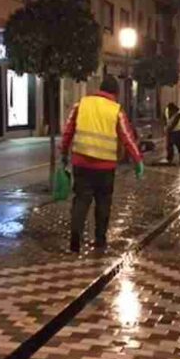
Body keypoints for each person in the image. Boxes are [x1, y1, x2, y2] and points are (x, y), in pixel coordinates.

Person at [61, 76, 144, 253]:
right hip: (105, 168)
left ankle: (75, 240)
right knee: (103, 203)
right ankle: (100, 241)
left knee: (81, 201)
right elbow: (127, 137)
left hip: (81, 163)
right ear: (115, 93)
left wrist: (63, 153)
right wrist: (138, 161)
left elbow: (68, 130)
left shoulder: (81, 104)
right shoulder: (116, 110)